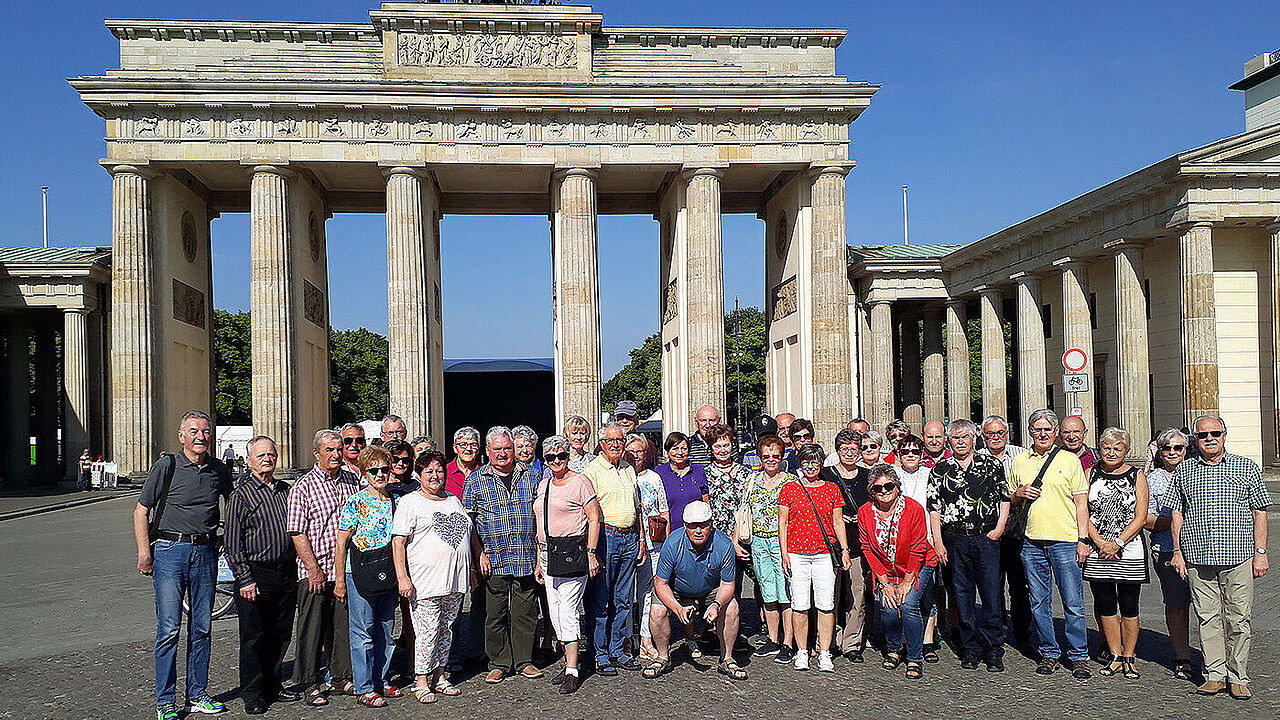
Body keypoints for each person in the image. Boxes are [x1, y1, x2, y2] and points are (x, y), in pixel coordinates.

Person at [132, 410, 233, 720]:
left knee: (202, 628)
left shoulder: (219, 469)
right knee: (169, 629)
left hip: (205, 552)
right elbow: (140, 511)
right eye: (193, 431)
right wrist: (143, 553)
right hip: (169, 550)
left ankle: (198, 694)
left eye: (205, 431)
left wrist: (229, 540)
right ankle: (165, 701)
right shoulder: (168, 465)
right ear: (181, 436)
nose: (200, 436)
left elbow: (233, 505)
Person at [1169, 415, 1271, 700]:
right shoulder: (1184, 471)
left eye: (1215, 433)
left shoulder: (1246, 467)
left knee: (1239, 619)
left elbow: (1260, 511)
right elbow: (1177, 514)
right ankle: (1215, 674)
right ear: (1195, 439)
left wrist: (1260, 552)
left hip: (1238, 556)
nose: (1209, 438)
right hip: (1197, 558)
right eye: (1202, 435)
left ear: (1225, 435)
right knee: (1207, 618)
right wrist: (1177, 552)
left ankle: (1238, 676)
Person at [1009, 409, 1091, 678]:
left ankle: (1078, 655)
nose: (1042, 434)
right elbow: (1009, 499)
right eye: (1037, 429)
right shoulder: (1019, 461)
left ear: (1055, 433)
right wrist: (1018, 494)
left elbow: (1081, 503)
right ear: (1030, 432)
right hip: (1031, 541)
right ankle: (1049, 652)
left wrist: (1083, 539)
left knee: (1073, 601)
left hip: (1065, 540)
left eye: (1047, 429)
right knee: (1039, 601)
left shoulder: (1069, 460)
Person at [391, 450, 476, 704]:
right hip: (425, 581)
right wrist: (402, 577)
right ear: (418, 474)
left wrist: (471, 568)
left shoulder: (452, 500)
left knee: (445, 629)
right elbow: (398, 543)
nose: (435, 476)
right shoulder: (410, 502)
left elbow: (467, 534)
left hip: (454, 580)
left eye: (439, 470)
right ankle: (421, 680)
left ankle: (440, 675)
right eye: (429, 471)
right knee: (426, 632)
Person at [927, 421, 1010, 673]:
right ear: (949, 441)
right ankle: (970, 648)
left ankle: (993, 648)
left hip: (985, 538)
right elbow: (934, 508)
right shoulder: (940, 469)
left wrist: (998, 529)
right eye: (955, 437)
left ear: (974, 439)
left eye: (964, 436)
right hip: (954, 540)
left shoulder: (992, 465)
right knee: (962, 597)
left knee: (991, 594)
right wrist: (939, 542)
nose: (960, 441)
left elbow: (1005, 499)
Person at [462, 426, 542, 684]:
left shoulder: (531, 476)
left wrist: (541, 556)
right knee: (493, 614)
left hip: (525, 555)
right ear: (488, 451)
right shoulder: (475, 480)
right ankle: (498, 662)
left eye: (508, 448)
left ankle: (524, 661)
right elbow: (469, 523)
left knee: (525, 613)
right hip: (492, 558)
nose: (503, 453)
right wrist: (479, 554)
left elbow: (541, 518)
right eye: (497, 449)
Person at [225, 436, 298, 715]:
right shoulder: (240, 496)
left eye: (271, 454)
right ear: (249, 460)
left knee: (280, 633)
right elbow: (233, 542)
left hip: (285, 571)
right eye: (261, 455)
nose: (267, 459)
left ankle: (273, 684)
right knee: (254, 636)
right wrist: (244, 578)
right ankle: (252, 692)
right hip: (256, 572)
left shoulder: (285, 490)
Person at [287, 430, 359, 706]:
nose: (336, 454)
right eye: (329, 450)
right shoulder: (303, 487)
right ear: (316, 453)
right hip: (315, 569)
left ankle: (341, 676)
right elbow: (297, 532)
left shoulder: (350, 480)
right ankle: (309, 682)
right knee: (312, 627)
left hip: (343, 569)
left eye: (338, 449)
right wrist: (313, 568)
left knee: (341, 626)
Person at [643, 501, 747, 681]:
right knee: (657, 611)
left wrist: (716, 605)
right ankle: (662, 657)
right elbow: (661, 584)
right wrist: (677, 609)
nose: (698, 531)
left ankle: (727, 658)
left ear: (711, 524)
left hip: (711, 588)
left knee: (732, 608)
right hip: (676, 588)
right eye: (692, 526)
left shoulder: (724, 545)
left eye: (703, 525)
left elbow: (728, 585)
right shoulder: (673, 543)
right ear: (685, 526)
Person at [333, 445, 402, 708]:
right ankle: (363, 686)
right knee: (362, 632)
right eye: (374, 471)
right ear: (364, 473)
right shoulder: (355, 502)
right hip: (359, 572)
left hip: (387, 571)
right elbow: (341, 543)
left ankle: (380, 680)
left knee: (385, 628)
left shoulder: (396, 501)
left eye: (385, 469)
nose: (380, 474)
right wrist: (340, 580)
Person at [533, 435, 603, 694]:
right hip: (547, 554)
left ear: (568, 456)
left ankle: (573, 669)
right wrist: (540, 562)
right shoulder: (543, 485)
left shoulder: (581, 482)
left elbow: (594, 519)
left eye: (561, 456)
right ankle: (567, 662)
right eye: (551, 457)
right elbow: (541, 522)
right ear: (545, 459)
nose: (556, 461)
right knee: (554, 612)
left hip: (572, 553)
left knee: (568, 610)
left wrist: (592, 552)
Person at [1082, 427, 1149, 680]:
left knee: (1130, 605)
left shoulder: (1137, 476)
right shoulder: (1091, 473)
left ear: (1126, 451)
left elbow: (1140, 516)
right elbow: (1083, 511)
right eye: (1106, 448)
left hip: (1128, 549)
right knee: (1106, 605)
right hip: (1098, 550)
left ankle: (1130, 655)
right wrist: (1099, 543)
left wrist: (1118, 543)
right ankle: (1115, 655)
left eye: (1117, 449)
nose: (1111, 452)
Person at [581, 421, 647, 674]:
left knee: (623, 599)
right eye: (611, 441)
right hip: (606, 538)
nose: (616, 445)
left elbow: (637, 507)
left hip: (630, 537)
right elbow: (588, 513)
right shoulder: (592, 470)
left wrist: (641, 539)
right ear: (601, 444)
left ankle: (618, 650)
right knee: (600, 599)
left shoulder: (629, 468)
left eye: (620, 440)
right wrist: (591, 549)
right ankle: (599, 653)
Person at [860, 463, 937, 680]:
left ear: (897, 486)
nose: (884, 491)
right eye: (878, 488)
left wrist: (908, 580)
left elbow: (918, 546)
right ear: (871, 491)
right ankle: (894, 648)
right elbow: (867, 547)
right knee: (888, 605)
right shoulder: (865, 513)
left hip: (918, 564)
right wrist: (883, 581)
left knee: (908, 603)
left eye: (888, 486)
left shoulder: (912, 509)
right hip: (887, 569)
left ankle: (914, 657)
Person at [779, 444, 851, 673]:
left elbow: (838, 522)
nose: (810, 466)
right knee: (799, 605)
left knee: (826, 605)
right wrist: (784, 554)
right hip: (797, 553)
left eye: (815, 461)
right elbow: (783, 523)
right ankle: (801, 651)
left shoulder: (832, 489)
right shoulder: (789, 488)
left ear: (821, 463)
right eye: (806, 461)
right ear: (799, 464)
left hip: (824, 555)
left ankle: (824, 651)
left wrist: (845, 549)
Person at [978, 415, 1031, 650]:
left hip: (1018, 528)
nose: (996, 438)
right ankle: (996, 631)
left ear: (1007, 433)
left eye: (1000, 433)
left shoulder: (1022, 455)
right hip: (989, 528)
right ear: (983, 436)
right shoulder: (977, 458)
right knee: (992, 584)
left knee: (1020, 584)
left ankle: (1023, 633)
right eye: (990, 434)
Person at [1143, 427, 1193, 681]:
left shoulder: (1198, 471)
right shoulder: (1153, 480)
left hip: (1201, 549)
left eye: (1178, 448)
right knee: (1176, 605)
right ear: (1159, 453)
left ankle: (1217, 658)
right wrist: (1176, 520)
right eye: (1167, 448)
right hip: (1165, 549)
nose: (1172, 452)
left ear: (1186, 449)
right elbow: (1146, 519)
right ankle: (1182, 657)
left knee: (1211, 607)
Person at [742, 434, 796, 662]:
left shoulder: (791, 481)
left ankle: (788, 642)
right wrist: (738, 540)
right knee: (768, 591)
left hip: (782, 542)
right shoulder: (752, 480)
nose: (771, 460)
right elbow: (743, 511)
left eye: (775, 456)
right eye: (766, 456)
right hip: (759, 542)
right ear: (759, 458)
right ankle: (773, 639)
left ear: (782, 457)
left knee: (786, 593)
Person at [820, 428, 871, 663]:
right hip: (829, 546)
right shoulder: (825, 475)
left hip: (859, 544)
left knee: (857, 596)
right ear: (837, 450)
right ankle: (830, 639)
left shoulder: (868, 476)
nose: (850, 453)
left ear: (860, 451)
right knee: (830, 595)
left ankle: (851, 642)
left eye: (854, 449)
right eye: (844, 449)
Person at [895, 433, 941, 662]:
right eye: (906, 451)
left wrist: (934, 538)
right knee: (905, 591)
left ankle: (928, 640)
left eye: (915, 451)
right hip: (899, 543)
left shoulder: (930, 475)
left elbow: (934, 508)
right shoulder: (892, 477)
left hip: (927, 541)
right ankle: (906, 638)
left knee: (926, 592)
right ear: (899, 454)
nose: (911, 455)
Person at [629, 432, 669, 661]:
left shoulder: (654, 478)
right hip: (627, 541)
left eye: (640, 451)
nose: (636, 455)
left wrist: (669, 542)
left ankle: (645, 638)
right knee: (623, 594)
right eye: (631, 451)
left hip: (654, 543)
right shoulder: (623, 475)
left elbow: (663, 510)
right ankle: (626, 638)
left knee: (647, 593)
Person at [703, 424, 750, 540]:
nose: (722, 450)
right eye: (717, 446)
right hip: (715, 533)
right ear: (711, 448)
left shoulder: (745, 473)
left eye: (726, 445)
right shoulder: (705, 474)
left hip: (741, 532)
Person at [615, 400, 658, 468]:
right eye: (621, 417)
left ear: (636, 419)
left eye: (629, 417)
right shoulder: (607, 445)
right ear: (616, 420)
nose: (624, 421)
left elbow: (653, 467)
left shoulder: (649, 446)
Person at [446, 426, 480, 499]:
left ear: (478, 449)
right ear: (455, 448)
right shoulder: (445, 471)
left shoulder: (485, 471)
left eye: (473, 445)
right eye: (463, 445)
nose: (468, 449)